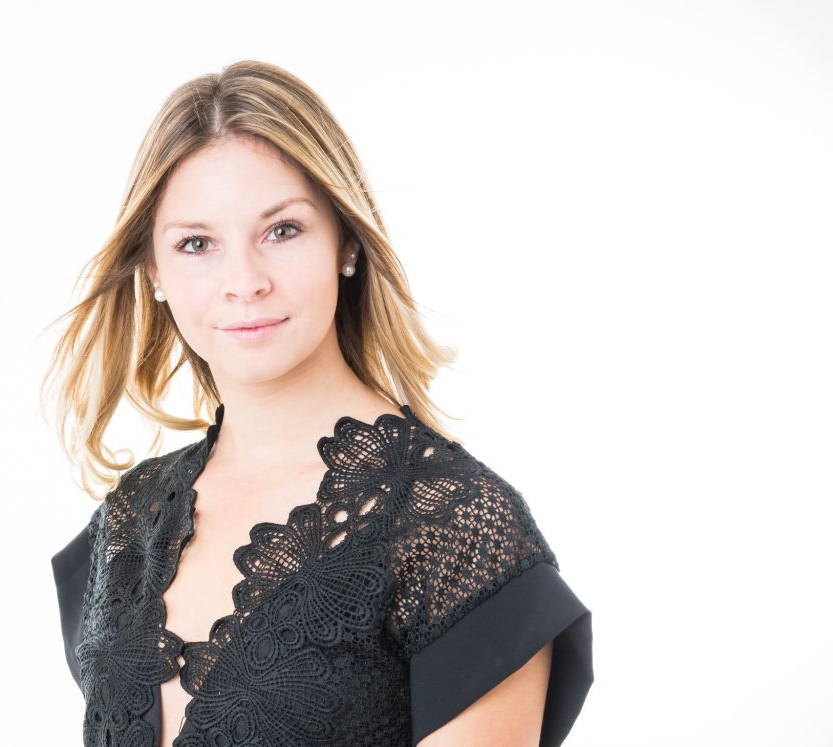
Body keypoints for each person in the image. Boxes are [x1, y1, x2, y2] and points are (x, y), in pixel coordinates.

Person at [45, 59, 593, 747]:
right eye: (196, 243)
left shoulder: (455, 529)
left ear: (348, 242)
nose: (243, 281)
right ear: (154, 271)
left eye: (282, 230)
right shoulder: (129, 524)